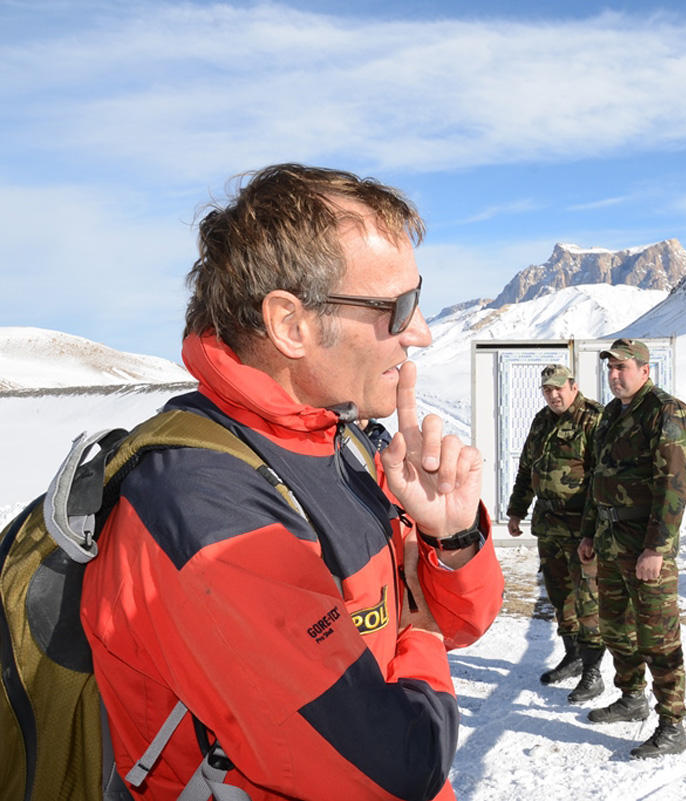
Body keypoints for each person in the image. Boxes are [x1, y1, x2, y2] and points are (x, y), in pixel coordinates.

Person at [79, 164, 504, 801]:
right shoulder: (202, 507)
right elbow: (393, 768)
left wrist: (453, 536)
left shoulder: (342, 440)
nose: (422, 332)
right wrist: (421, 632)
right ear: (290, 325)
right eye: (399, 307)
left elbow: (464, 622)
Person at [578, 338, 686, 759]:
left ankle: (672, 723)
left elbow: (676, 486)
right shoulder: (611, 413)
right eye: (610, 367)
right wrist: (589, 532)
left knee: (657, 635)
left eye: (622, 367)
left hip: (645, 546)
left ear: (645, 370)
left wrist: (656, 549)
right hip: (610, 542)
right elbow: (599, 478)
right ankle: (631, 697)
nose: (613, 375)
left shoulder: (667, 411)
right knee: (613, 626)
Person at [506, 364, 605, 702]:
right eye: (547, 390)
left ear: (573, 386)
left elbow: (601, 479)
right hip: (549, 525)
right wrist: (517, 510)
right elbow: (526, 468)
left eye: (559, 388)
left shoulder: (593, 419)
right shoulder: (541, 420)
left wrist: (594, 528)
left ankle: (593, 672)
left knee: (588, 597)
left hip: (582, 529)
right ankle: (574, 656)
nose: (553, 395)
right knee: (560, 595)